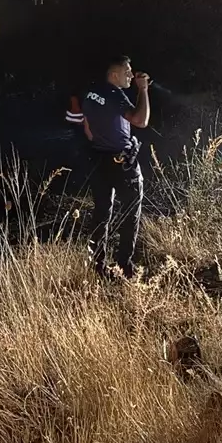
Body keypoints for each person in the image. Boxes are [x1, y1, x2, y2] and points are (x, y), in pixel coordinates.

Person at [81, 56, 150, 278]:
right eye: (127, 72)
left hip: (98, 160)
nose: (131, 75)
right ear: (114, 75)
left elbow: (87, 128)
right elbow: (140, 120)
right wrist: (144, 90)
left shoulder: (91, 94)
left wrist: (102, 143)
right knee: (130, 213)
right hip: (122, 163)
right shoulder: (115, 95)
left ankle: (98, 266)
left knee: (101, 213)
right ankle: (125, 267)